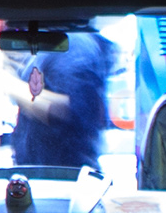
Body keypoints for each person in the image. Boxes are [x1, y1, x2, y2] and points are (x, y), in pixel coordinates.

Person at [11, 30, 113, 173]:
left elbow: (71, 110)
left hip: (63, 178)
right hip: (48, 175)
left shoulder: (74, 45)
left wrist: (9, 84)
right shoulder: (52, 43)